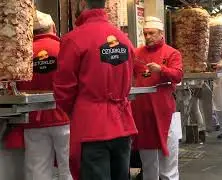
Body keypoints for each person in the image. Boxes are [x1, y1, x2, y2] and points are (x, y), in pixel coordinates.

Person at [53, 0, 137, 180]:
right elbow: (131, 75)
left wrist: (78, 110)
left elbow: (63, 89)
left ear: (82, 3)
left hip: (91, 126)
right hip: (123, 124)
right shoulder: (123, 38)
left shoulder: (74, 39)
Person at [6, 10, 73, 180]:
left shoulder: (22, 54)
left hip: (34, 120)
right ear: (53, 27)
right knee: (69, 168)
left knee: (37, 170)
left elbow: (13, 85)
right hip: (64, 117)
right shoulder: (65, 48)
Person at [131, 16, 183, 180]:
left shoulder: (172, 53)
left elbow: (178, 75)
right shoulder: (136, 53)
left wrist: (162, 70)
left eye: (151, 33)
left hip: (165, 113)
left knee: (168, 164)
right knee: (148, 164)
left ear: (161, 33)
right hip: (143, 114)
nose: (147, 37)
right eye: (145, 34)